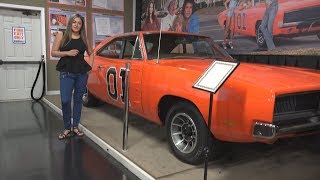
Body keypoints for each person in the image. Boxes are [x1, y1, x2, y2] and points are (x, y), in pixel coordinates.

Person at [51, 14, 94, 140]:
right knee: (65, 100)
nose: (76, 25)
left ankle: (75, 126)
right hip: (66, 73)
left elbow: (91, 54)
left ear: (82, 25)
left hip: (81, 73)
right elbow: (53, 52)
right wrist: (67, 53)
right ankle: (67, 127)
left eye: (79, 23)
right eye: (74, 22)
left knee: (78, 100)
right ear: (70, 23)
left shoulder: (84, 38)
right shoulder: (62, 35)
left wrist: (89, 68)